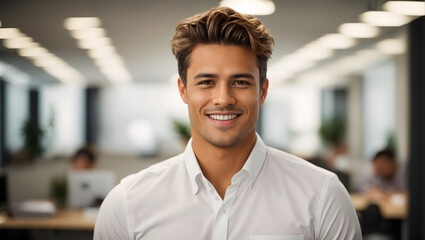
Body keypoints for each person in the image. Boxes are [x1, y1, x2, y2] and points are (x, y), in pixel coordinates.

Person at [94, 7, 361, 239]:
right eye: (206, 82)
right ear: (183, 90)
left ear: (263, 91)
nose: (223, 99)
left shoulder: (324, 196)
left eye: (240, 82)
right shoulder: (127, 203)